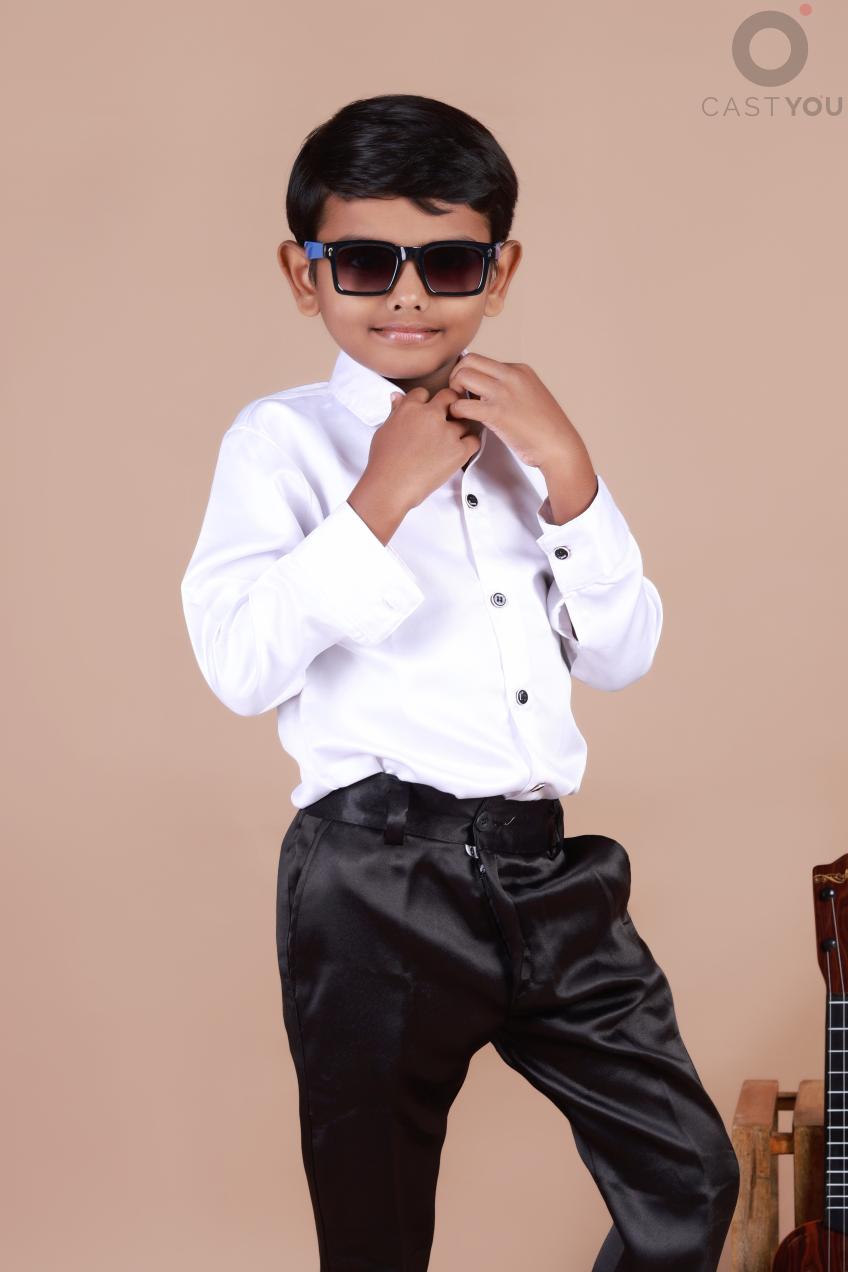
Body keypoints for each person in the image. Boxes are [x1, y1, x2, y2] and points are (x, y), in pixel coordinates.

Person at [179, 93, 740, 1271]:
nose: (405, 295)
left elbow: (621, 654)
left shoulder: (532, 440)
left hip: (545, 871)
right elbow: (238, 665)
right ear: (302, 273)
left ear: (499, 269)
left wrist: (571, 470)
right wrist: (378, 499)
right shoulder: (279, 443)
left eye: (445, 262)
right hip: (375, 879)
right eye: (364, 262)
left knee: (685, 1173)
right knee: (375, 1230)